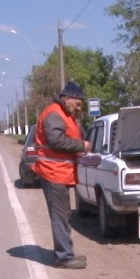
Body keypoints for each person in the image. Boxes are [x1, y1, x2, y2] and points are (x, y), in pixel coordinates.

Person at [32, 82, 92, 269]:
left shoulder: (64, 114)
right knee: (60, 216)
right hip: (53, 172)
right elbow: (56, 141)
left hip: (59, 172)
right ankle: (64, 257)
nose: (79, 107)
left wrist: (78, 152)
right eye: (78, 103)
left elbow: (64, 140)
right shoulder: (54, 114)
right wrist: (82, 146)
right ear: (67, 99)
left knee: (64, 215)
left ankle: (66, 253)